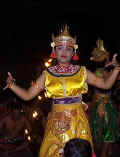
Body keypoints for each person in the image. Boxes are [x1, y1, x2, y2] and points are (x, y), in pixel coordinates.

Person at [5, 25, 120, 157]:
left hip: (78, 123)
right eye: (60, 48)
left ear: (73, 52)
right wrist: (12, 85)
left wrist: (116, 70)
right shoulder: (47, 74)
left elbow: (105, 84)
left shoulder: (82, 71)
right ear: (54, 50)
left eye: (68, 48)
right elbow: (27, 96)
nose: (64, 51)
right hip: (56, 123)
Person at [89, 39, 119, 157]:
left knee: (109, 134)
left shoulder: (108, 71)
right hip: (99, 106)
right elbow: (106, 83)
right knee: (100, 135)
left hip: (108, 105)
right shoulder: (97, 73)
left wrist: (114, 67)